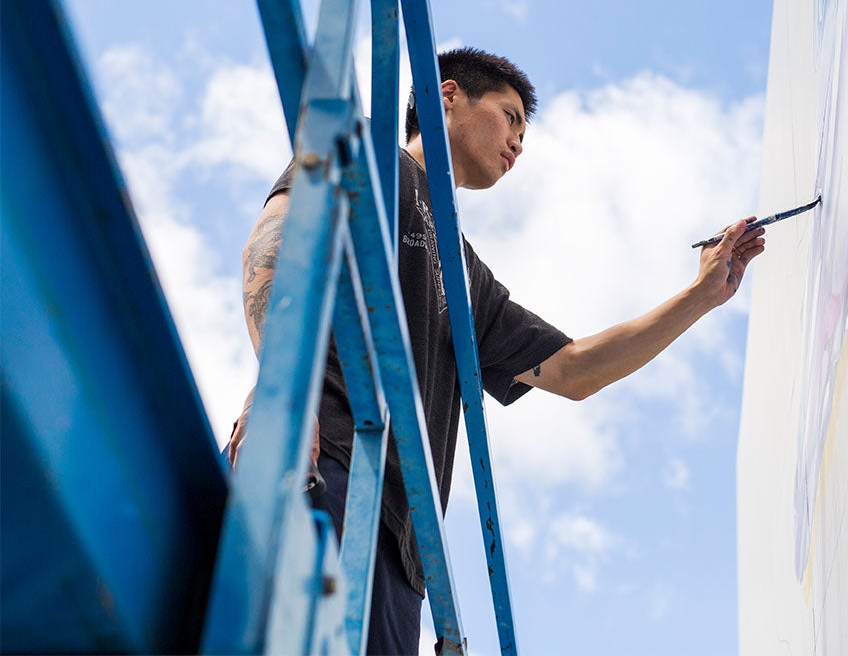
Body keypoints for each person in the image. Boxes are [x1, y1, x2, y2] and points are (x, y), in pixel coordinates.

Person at [228, 47, 765, 655]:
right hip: (326, 460)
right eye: (509, 117)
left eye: (524, 132)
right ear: (449, 95)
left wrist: (700, 295)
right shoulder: (372, 159)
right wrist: (281, 393)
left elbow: (573, 369)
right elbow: (273, 246)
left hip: (404, 545)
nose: (517, 144)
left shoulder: (464, 275)